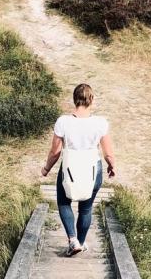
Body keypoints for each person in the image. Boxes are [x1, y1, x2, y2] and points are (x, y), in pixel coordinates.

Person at [41, 83, 116, 256]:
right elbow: (108, 153)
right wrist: (112, 167)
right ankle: (80, 243)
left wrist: (46, 169)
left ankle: (73, 240)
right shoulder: (100, 123)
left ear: (74, 100)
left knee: (63, 202)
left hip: (70, 168)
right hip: (92, 168)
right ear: (92, 100)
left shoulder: (63, 122)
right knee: (86, 208)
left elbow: (55, 151)